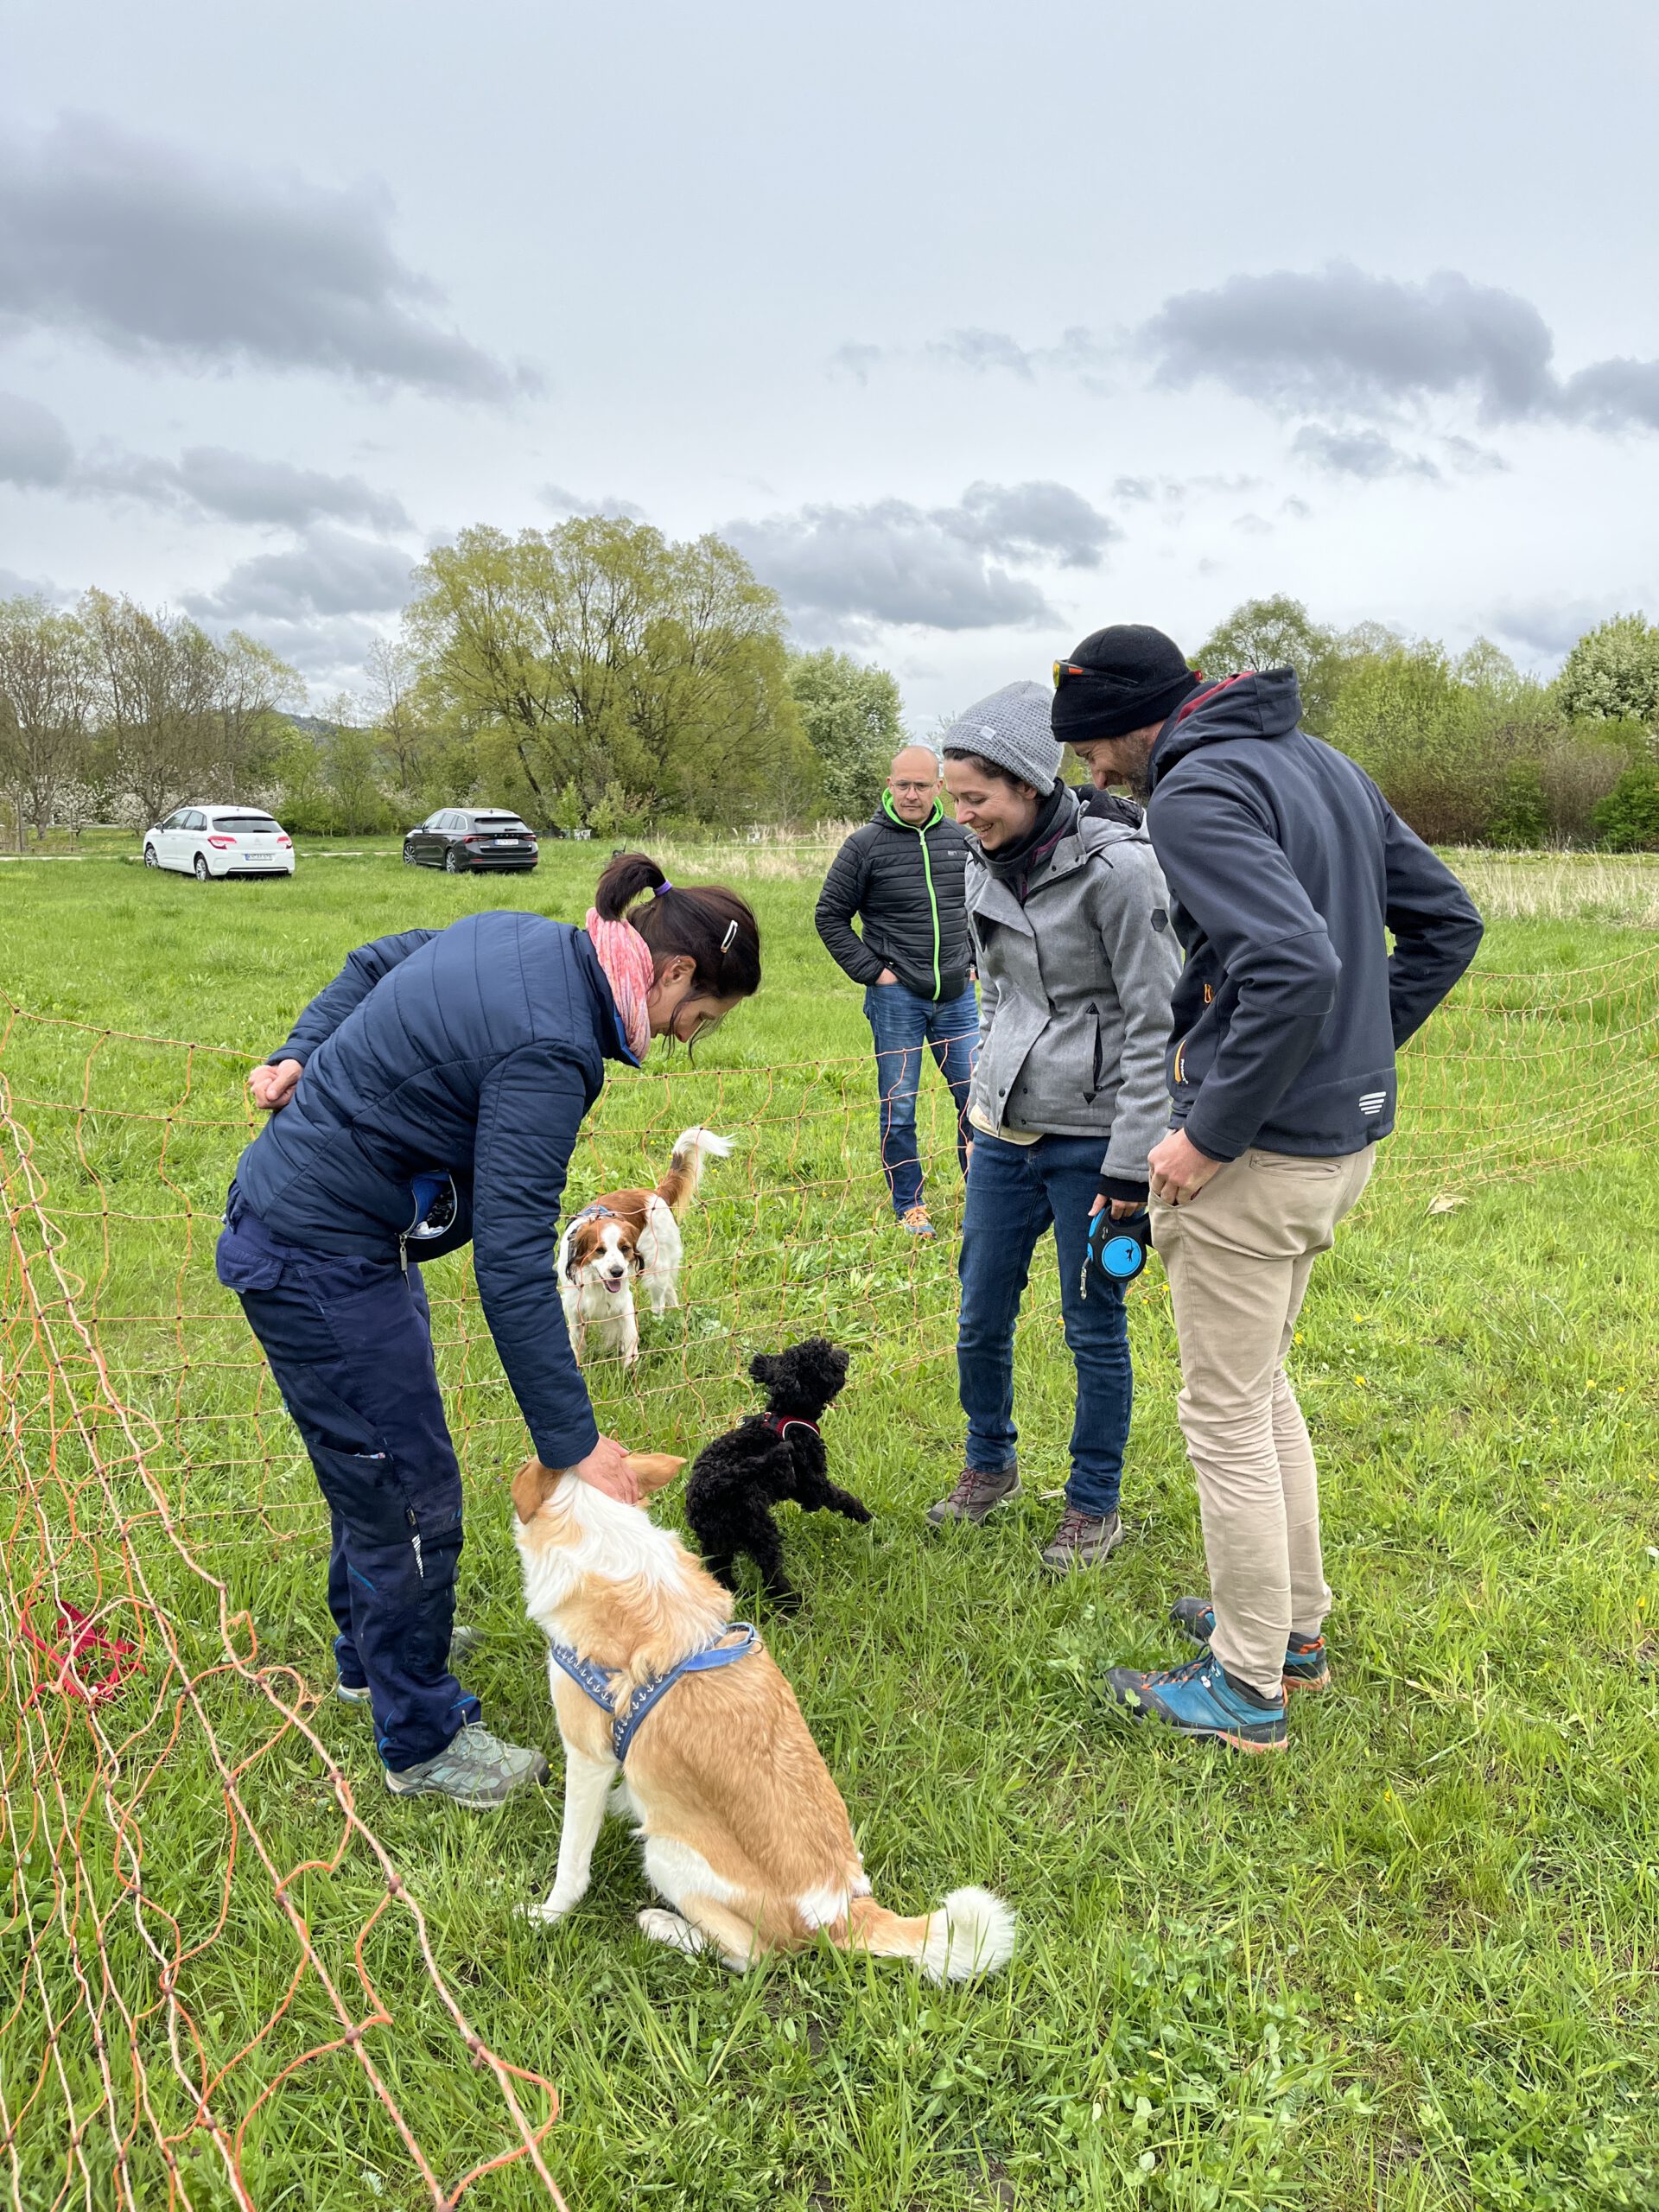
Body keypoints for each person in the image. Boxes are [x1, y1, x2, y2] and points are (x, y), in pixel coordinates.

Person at [215, 855, 760, 1807]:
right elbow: (512, 1257)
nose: (687, 1037)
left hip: (342, 1234)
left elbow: (375, 960)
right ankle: (422, 1739)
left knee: (378, 1460)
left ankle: (375, 1653)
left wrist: (302, 1049)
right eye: (701, 1017)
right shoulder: (555, 1047)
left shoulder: (527, 940)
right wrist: (575, 1443)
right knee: (409, 1489)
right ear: (674, 973)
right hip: (320, 1252)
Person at [1052, 624, 1483, 1750]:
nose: (1092, 773)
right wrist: (1350, 1057)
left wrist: (1209, 1133)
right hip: (1337, 1142)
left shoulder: (1195, 794)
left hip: (1258, 1158)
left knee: (1225, 1414)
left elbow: (1295, 966)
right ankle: (1290, 1630)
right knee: (1260, 1388)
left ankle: (1246, 1687)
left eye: (1089, 748)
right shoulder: (1324, 763)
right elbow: (1449, 924)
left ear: (1130, 720)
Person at [931, 682, 1179, 1571]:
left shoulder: (1123, 870)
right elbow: (995, 993)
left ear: (1031, 783)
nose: (962, 816)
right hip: (1005, 1135)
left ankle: (1092, 1506)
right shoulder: (976, 862)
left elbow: (1157, 1023)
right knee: (978, 1315)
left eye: (976, 798)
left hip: (1099, 1144)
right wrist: (980, 1103)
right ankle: (989, 1465)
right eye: (954, 798)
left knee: (1092, 1325)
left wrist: (1130, 1166)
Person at [815, 746, 976, 1238]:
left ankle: (983, 1197)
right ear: (889, 786)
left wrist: (974, 960)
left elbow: (984, 903)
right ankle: (910, 1204)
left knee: (978, 1100)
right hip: (897, 998)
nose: (911, 794)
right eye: (903, 785)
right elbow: (829, 915)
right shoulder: (864, 845)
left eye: (921, 786)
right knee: (900, 1105)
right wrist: (875, 972)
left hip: (958, 997)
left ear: (939, 788)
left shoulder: (963, 840)